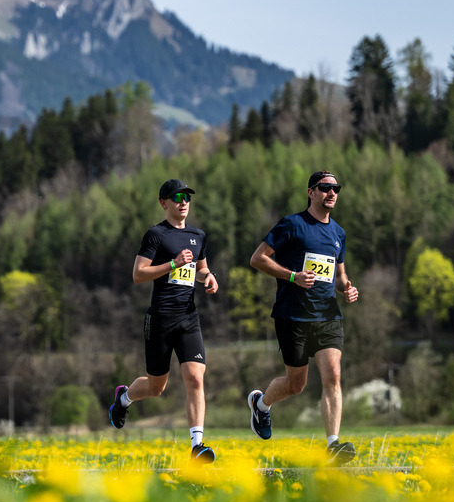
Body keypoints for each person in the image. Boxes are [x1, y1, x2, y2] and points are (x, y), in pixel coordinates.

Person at [247, 170, 359, 464]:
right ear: (311, 192)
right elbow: (258, 258)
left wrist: (346, 287)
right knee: (295, 384)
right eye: (325, 188)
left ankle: (332, 444)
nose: (331, 193)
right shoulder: (292, 224)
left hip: (327, 315)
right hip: (292, 316)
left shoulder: (338, 233)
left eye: (336, 188)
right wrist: (292, 276)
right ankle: (261, 404)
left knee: (333, 375)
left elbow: (339, 274)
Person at [108, 179, 220, 463]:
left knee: (195, 378)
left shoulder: (198, 236)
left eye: (187, 197)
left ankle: (197, 446)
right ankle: (124, 398)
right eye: (178, 197)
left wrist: (208, 277)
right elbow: (138, 274)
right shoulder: (155, 235)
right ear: (164, 203)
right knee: (157, 387)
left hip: (188, 318)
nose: (184, 201)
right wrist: (173, 264)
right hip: (160, 318)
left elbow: (200, 269)